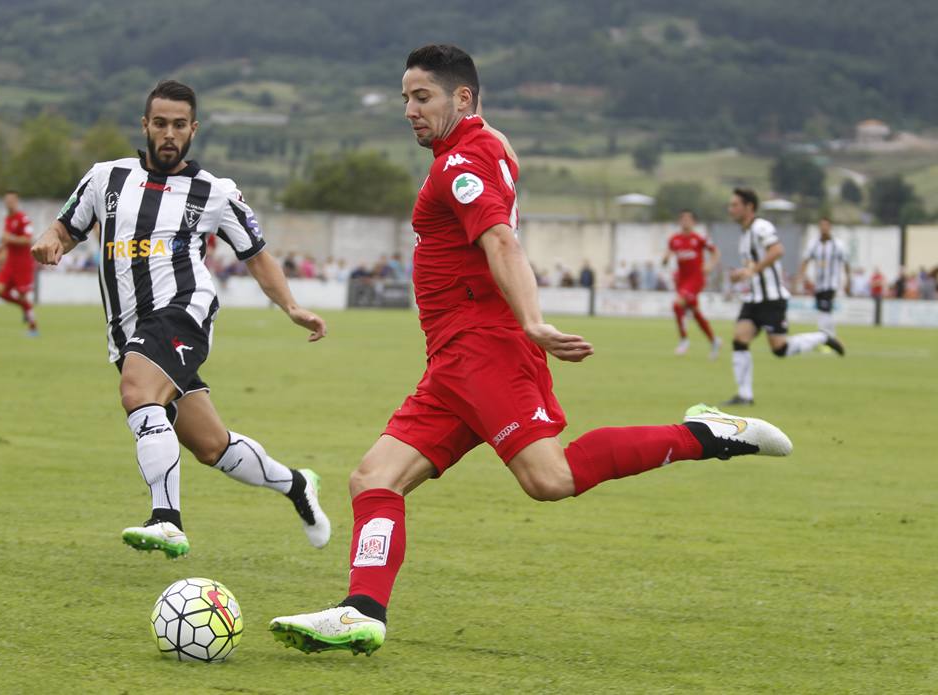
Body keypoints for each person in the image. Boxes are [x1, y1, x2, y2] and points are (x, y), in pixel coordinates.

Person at [269, 44, 793, 656]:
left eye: (422, 97)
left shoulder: (461, 165)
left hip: (484, 347)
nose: (409, 110)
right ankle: (361, 611)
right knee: (373, 477)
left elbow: (500, 242)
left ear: (461, 97)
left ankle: (706, 435)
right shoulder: (479, 147)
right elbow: (496, 162)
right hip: (453, 359)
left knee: (551, 479)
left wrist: (535, 322)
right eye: (405, 98)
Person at [30, 80, 331, 558]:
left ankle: (166, 519)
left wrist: (291, 306)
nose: (169, 134)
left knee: (137, 391)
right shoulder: (105, 177)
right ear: (145, 125)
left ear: (193, 130)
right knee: (211, 445)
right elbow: (67, 227)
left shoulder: (215, 191)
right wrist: (50, 241)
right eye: (160, 123)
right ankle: (296, 484)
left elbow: (256, 254)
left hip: (183, 311)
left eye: (179, 125)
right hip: (128, 332)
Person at [723, 188, 843, 407]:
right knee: (740, 339)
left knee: (780, 349)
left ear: (749, 207)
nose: (730, 209)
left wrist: (753, 270)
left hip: (772, 298)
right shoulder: (744, 235)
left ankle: (822, 337)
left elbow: (777, 250)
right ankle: (745, 395)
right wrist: (741, 274)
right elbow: (753, 267)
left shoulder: (761, 226)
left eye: (734, 205)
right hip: (754, 298)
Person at [662, 209, 722, 358]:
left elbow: (715, 252)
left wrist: (709, 266)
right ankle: (714, 341)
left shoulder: (700, 238)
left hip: (695, 279)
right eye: (683, 219)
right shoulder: (674, 239)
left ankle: (684, 340)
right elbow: (668, 253)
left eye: (688, 219)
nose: (685, 222)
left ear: (694, 222)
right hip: (681, 280)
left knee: (677, 305)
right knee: (695, 313)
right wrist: (665, 259)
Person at [0, 192, 39, 335]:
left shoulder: (23, 218)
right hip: (10, 263)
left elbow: (28, 239)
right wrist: (2, 248)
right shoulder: (8, 219)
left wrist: (10, 239)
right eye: (7, 201)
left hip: (23, 264)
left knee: (22, 295)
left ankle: (33, 327)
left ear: (17, 201)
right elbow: (8, 240)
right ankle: (25, 307)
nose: (9, 203)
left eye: (12, 201)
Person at [797, 217, 851, 337]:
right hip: (818, 283)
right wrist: (801, 277)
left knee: (824, 310)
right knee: (824, 311)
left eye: (826, 225)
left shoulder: (838, 245)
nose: (824, 228)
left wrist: (848, 281)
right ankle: (831, 336)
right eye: (821, 225)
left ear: (830, 227)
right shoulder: (813, 243)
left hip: (831, 283)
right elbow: (805, 260)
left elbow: (846, 263)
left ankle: (823, 337)